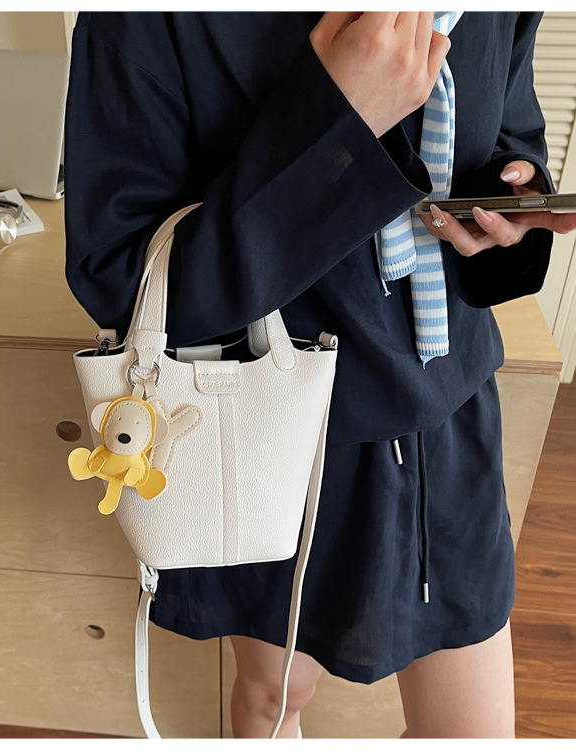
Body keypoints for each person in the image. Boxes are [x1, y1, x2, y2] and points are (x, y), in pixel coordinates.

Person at [63, 12, 576, 738]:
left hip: (446, 411)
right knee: (275, 694)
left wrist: (511, 196)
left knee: (474, 729)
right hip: (271, 425)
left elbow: (511, 130)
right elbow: (123, 276)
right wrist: (336, 118)